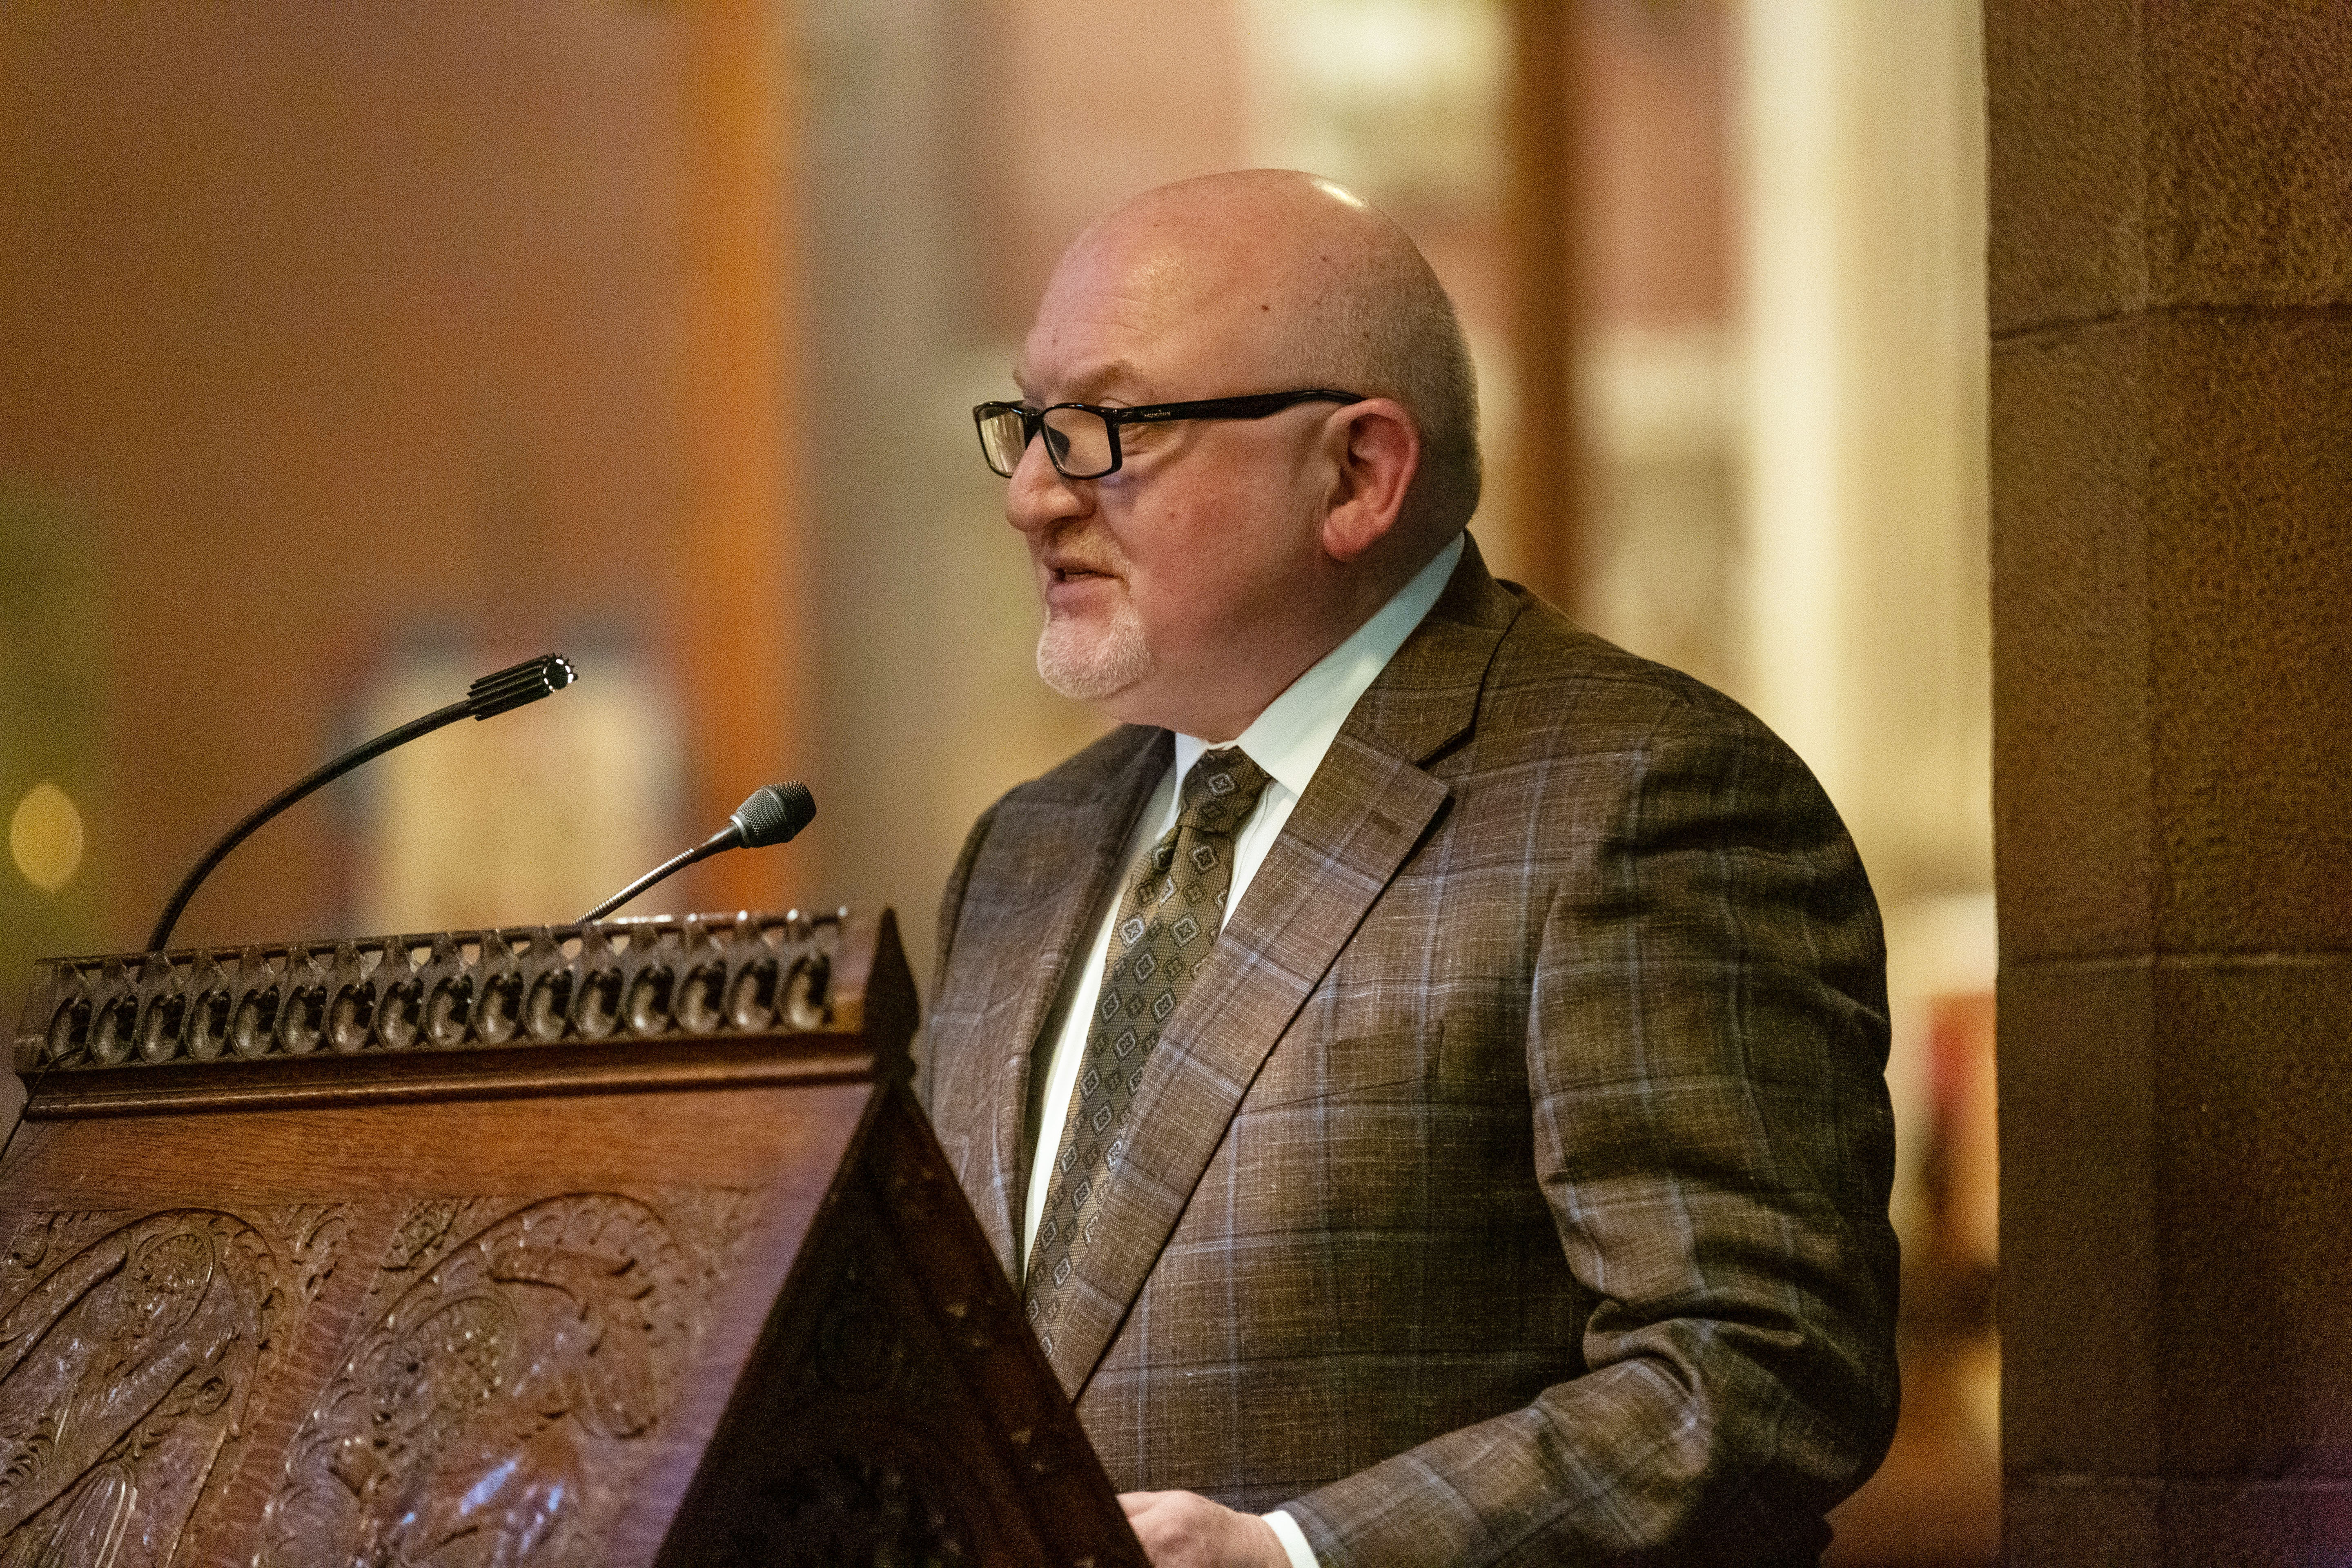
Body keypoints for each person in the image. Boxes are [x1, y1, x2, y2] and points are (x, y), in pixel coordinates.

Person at [920, 169, 1898, 1568]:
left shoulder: (1641, 799)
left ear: (1358, 474)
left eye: (1104, 430)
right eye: (1026, 425)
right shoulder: (1027, 848)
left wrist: (1301, 1557)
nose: (1030, 498)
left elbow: (1753, 1380)